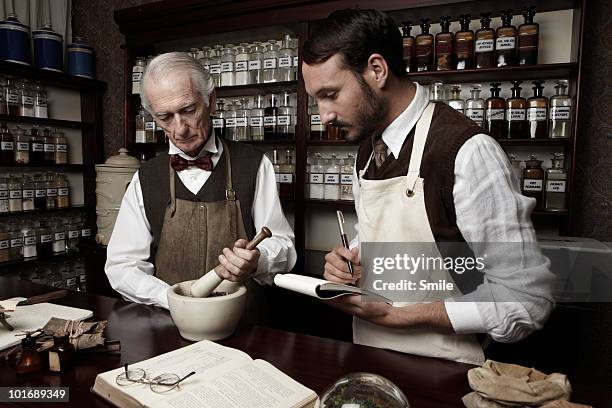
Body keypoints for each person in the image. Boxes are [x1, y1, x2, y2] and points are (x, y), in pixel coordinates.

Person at [302, 9, 555, 365]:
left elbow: (527, 300)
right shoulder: (366, 151)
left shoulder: (466, 152)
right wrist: (353, 260)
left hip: (443, 372)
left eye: (330, 94)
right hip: (369, 355)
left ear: (377, 70)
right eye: (317, 98)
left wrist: (403, 316)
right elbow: (398, 237)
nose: (324, 115)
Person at [105, 52, 296, 312]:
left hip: (245, 326)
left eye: (188, 110)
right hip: (170, 327)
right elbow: (122, 267)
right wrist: (173, 298)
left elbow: (284, 246)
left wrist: (258, 261)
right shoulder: (145, 178)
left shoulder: (254, 165)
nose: (180, 128)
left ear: (211, 100)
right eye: (165, 117)